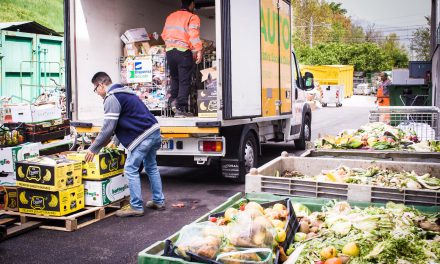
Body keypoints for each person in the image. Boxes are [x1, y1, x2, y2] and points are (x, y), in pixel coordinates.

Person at [85, 72, 165, 217]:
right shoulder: (126, 92)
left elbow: (108, 127)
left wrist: (93, 149)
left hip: (143, 136)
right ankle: (158, 201)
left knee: (130, 168)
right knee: (151, 166)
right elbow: (123, 120)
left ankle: (136, 206)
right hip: (154, 131)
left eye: (95, 89)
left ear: (101, 85)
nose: (96, 93)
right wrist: (115, 142)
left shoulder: (112, 98)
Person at [162, 0, 203, 117]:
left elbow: (164, 34)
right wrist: (198, 50)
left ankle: (173, 103)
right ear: (191, 4)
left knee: (175, 79)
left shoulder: (170, 16)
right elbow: (193, 35)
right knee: (184, 81)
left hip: (170, 52)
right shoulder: (192, 17)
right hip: (183, 52)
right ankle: (181, 108)